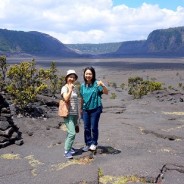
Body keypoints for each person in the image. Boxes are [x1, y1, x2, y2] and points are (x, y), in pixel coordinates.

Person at [80, 66, 108, 152]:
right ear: (84, 75)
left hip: (95, 109)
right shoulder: (82, 86)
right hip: (85, 109)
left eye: (90, 74)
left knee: (94, 127)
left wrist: (103, 85)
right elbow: (82, 98)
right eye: (87, 74)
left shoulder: (97, 84)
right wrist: (81, 109)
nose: (88, 75)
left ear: (93, 74)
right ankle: (88, 143)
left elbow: (106, 92)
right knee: (86, 127)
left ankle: (94, 143)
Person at [61, 69, 79, 159]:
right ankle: (66, 151)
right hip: (68, 114)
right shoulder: (65, 88)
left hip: (74, 113)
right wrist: (70, 89)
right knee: (72, 133)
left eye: (73, 77)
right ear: (67, 78)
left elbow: (75, 102)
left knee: (70, 132)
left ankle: (70, 147)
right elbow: (66, 99)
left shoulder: (74, 87)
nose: (72, 79)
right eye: (70, 77)